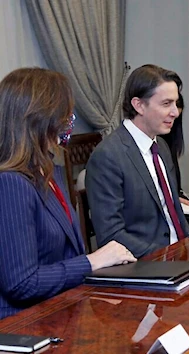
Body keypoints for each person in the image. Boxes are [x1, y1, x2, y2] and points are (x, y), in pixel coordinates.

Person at [0, 68, 136, 320]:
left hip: (62, 309)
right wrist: (92, 261)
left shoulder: (50, 170)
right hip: (24, 325)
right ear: (40, 118)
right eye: (65, 114)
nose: (69, 121)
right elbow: (21, 283)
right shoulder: (10, 184)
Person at [86, 64, 189, 258]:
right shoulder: (108, 156)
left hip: (180, 255)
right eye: (166, 104)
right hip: (145, 264)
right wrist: (165, 256)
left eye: (175, 104)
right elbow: (111, 235)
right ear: (139, 105)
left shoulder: (161, 146)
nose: (175, 112)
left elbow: (174, 214)